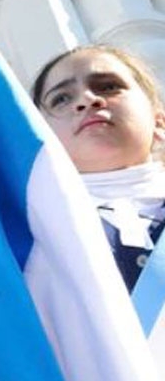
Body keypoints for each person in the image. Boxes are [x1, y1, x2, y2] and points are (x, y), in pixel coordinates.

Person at [32, 45, 165, 291]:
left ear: (159, 122)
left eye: (108, 86)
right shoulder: (33, 242)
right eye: (61, 99)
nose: (86, 99)